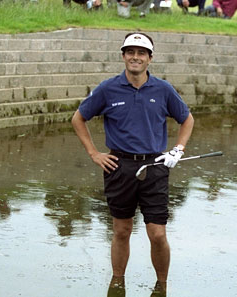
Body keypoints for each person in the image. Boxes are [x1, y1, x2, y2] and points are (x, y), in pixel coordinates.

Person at [71, 33, 194, 296]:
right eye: (130, 52)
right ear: (123, 55)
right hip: (119, 166)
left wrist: (178, 149)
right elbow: (78, 119)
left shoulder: (163, 89)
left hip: (156, 165)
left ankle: (161, 286)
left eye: (141, 52)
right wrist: (94, 154)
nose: (135, 57)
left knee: (157, 234)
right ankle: (117, 284)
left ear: (150, 58)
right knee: (121, 230)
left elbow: (187, 119)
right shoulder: (108, 88)